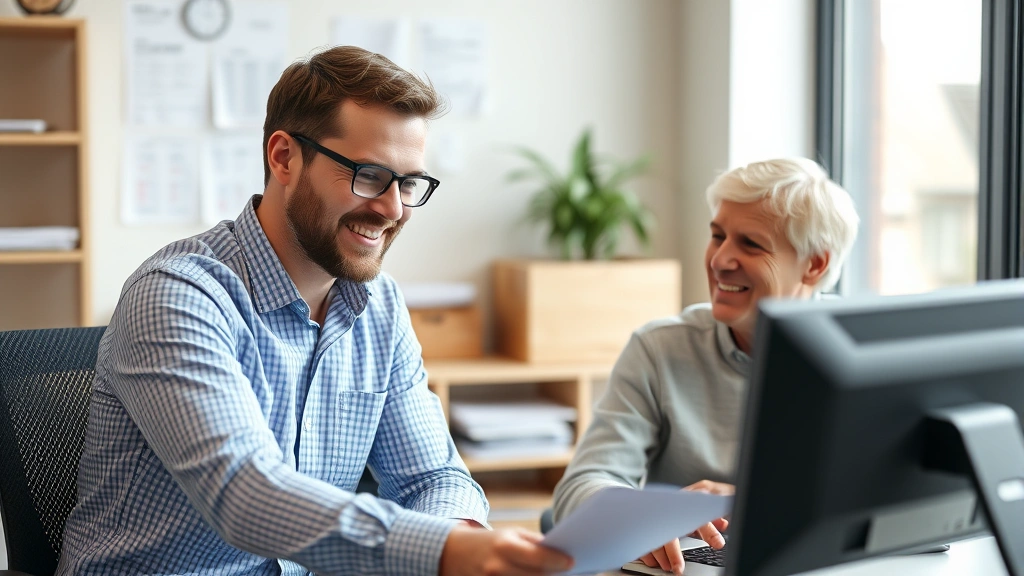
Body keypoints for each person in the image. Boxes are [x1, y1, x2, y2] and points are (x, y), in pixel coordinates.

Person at [57, 46, 573, 576]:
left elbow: (432, 478)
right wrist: (444, 552)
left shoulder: (379, 306)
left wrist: (462, 536)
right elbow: (245, 496)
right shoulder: (179, 295)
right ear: (284, 157)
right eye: (369, 175)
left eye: (408, 183)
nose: (392, 208)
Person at [551, 158, 859, 575]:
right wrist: (642, 515)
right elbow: (580, 486)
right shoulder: (660, 348)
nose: (720, 259)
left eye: (751, 244)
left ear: (815, 265)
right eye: (717, 236)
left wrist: (748, 504)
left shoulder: (865, 352)